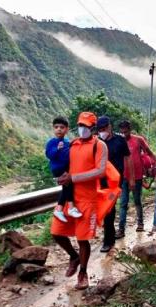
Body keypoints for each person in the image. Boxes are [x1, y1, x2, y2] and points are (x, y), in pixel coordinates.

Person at [50, 112, 108, 290]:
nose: (82, 128)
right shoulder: (73, 144)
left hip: (88, 200)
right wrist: (63, 176)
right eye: (80, 125)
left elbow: (100, 171)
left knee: (83, 239)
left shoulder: (100, 145)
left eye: (86, 126)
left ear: (93, 128)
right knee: (56, 232)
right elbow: (65, 164)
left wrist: (73, 178)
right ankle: (73, 257)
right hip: (70, 198)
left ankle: (83, 273)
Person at [96, 116, 133, 252]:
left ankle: (108, 241)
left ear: (110, 126)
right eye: (100, 129)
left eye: (104, 128)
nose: (102, 131)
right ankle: (109, 238)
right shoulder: (97, 142)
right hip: (100, 182)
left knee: (109, 210)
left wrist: (131, 178)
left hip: (115, 182)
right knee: (105, 210)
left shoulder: (120, 140)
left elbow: (128, 159)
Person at [116, 120, 156, 238]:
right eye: (122, 131)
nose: (124, 133)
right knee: (123, 202)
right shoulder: (119, 141)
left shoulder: (138, 140)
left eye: (126, 131)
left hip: (138, 176)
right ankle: (121, 229)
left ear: (130, 129)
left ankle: (140, 223)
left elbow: (148, 152)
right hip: (124, 176)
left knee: (137, 200)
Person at [45, 116, 82, 222]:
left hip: (66, 168)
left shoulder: (67, 142)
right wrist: (57, 149)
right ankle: (70, 208)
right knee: (69, 185)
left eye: (62, 127)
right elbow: (49, 155)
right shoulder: (52, 142)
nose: (59, 129)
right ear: (53, 128)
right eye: (56, 127)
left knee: (67, 187)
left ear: (67, 129)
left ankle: (61, 209)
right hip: (58, 169)